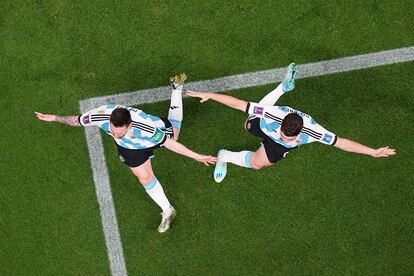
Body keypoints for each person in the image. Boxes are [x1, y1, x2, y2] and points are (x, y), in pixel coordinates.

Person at [35, 74, 217, 233]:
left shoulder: (146, 128)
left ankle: (177, 88)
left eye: (119, 133)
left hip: (151, 136)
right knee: (145, 178)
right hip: (130, 148)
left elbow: (171, 145)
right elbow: (76, 121)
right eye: (113, 131)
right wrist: (55, 118)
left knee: (174, 134)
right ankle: (168, 210)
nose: (115, 135)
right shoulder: (101, 115)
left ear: (129, 125)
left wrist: (197, 156)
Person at [187, 64, 396, 183]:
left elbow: (341, 142)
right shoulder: (275, 114)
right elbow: (239, 104)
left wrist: (372, 152)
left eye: (290, 137)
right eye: (284, 133)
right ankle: (283, 88)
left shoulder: (314, 132)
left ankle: (225, 156)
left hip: (279, 147)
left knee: (257, 164)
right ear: (282, 122)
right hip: (265, 126)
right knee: (249, 124)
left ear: (299, 133)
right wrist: (211, 95)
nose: (285, 135)